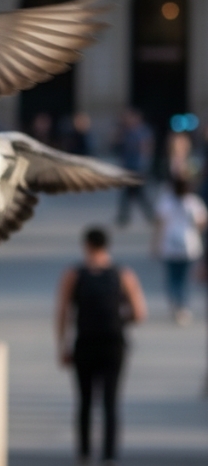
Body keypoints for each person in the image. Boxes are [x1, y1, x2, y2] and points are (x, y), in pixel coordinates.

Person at [56, 227, 147, 465]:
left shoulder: (74, 274)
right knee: (110, 400)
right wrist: (118, 319)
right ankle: (108, 455)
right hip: (114, 343)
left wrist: (62, 346)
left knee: (85, 401)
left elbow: (63, 312)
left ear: (86, 245)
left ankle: (84, 453)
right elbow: (139, 313)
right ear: (107, 246)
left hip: (84, 343)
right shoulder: (123, 274)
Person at [153, 176, 207, 325]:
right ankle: (182, 305)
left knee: (172, 278)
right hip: (189, 246)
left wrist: (155, 244)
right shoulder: (193, 203)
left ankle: (177, 304)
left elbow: (159, 224)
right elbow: (201, 223)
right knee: (182, 279)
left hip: (169, 246)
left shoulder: (166, 202)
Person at [114, 108, 155, 227]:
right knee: (129, 194)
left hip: (138, 167)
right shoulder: (125, 131)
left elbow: (147, 148)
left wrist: (145, 164)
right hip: (127, 167)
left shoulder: (142, 131)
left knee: (139, 194)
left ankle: (147, 215)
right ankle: (124, 217)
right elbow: (116, 144)